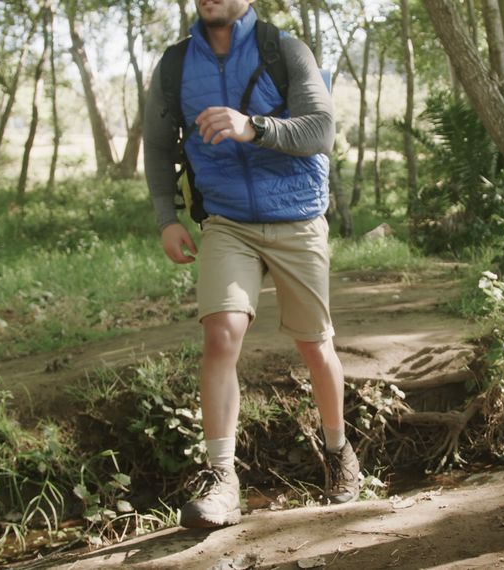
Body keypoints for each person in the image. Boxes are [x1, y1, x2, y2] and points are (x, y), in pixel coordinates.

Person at [143, 0, 360, 529]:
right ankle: (221, 480)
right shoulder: (175, 65)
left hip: (297, 219)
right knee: (221, 334)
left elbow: (319, 131)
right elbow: (157, 146)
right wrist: (167, 217)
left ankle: (338, 454)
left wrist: (253, 127)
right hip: (227, 222)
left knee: (315, 345)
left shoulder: (284, 49)